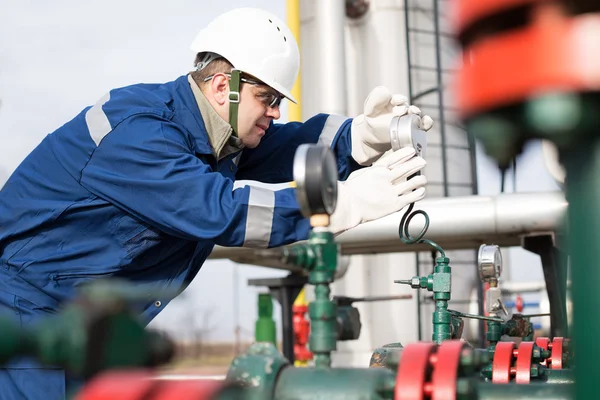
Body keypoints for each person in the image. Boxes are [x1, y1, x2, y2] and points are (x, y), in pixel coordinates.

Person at [0, 7, 431, 399]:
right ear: (225, 86)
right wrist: (338, 204)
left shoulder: (212, 135)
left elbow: (288, 144)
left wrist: (359, 137)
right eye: (268, 99)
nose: (275, 112)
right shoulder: (140, 135)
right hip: (26, 318)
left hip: (83, 325)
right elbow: (222, 211)